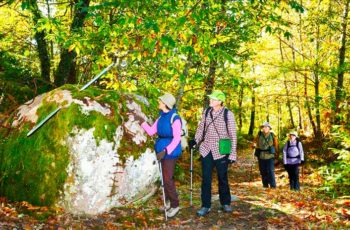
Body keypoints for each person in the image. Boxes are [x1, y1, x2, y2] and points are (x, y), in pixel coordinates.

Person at [133, 92, 182, 218]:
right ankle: (168, 202)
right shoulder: (161, 118)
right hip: (160, 151)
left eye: (160, 101)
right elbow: (150, 131)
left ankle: (175, 205)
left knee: (167, 179)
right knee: (164, 178)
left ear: (165, 104)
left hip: (170, 152)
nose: (158, 102)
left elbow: (177, 139)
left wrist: (166, 151)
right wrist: (141, 121)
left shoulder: (175, 118)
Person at [189, 90, 237, 217]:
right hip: (206, 149)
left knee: (222, 178)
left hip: (222, 150)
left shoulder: (228, 114)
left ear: (220, 101)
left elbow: (233, 135)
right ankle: (205, 205)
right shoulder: (206, 112)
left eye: (213, 99)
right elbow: (201, 128)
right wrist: (195, 140)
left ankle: (225, 202)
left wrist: (232, 154)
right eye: (210, 98)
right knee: (206, 179)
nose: (210, 100)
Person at [253, 122, 279, 188]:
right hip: (261, 156)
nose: (265, 128)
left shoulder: (273, 135)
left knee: (270, 171)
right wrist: (254, 145)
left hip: (270, 156)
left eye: (266, 127)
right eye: (264, 127)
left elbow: (276, 146)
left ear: (269, 128)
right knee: (263, 171)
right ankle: (265, 185)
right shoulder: (259, 135)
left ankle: (273, 186)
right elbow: (254, 142)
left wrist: (276, 156)